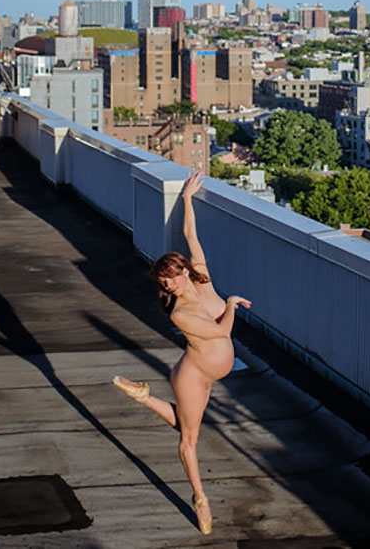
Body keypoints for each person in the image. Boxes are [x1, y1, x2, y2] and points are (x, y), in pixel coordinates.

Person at [112, 169, 251, 536]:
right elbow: (221, 331)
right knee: (189, 438)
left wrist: (187, 199)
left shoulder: (201, 276)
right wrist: (231, 304)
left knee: (184, 422)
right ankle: (200, 498)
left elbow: (191, 235)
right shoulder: (180, 312)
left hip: (207, 373)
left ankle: (143, 396)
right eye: (164, 281)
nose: (170, 283)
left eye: (173, 275)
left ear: (184, 270)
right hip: (192, 376)